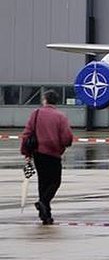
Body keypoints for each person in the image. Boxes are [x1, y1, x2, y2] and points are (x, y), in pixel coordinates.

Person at [21, 89, 74, 225]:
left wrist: (26, 153)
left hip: (38, 153)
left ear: (44, 100)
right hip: (54, 154)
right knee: (55, 181)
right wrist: (63, 145)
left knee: (43, 182)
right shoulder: (61, 116)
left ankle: (45, 215)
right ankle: (43, 203)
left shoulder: (36, 114)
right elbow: (67, 138)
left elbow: (27, 133)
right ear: (56, 101)